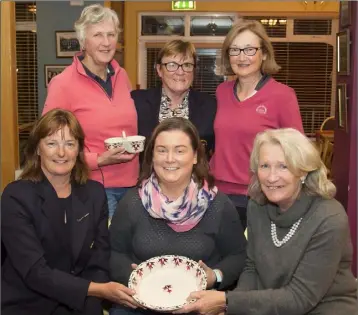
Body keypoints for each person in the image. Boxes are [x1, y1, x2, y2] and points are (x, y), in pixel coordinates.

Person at [177, 128, 358, 315]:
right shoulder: (257, 206)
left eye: (283, 166)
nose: (272, 177)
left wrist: (227, 301)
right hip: (272, 305)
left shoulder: (329, 218)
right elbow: (252, 268)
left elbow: (300, 298)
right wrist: (234, 308)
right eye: (264, 166)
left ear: (303, 172)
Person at [1, 109, 139, 315]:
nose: (61, 153)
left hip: (82, 303)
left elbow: (99, 258)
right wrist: (98, 290)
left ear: (79, 150)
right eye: (51, 143)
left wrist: (94, 297)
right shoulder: (16, 196)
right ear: (37, 149)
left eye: (69, 144)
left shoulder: (94, 193)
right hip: (28, 303)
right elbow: (34, 272)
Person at [109, 117, 247, 315]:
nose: (170, 158)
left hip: (199, 307)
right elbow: (114, 252)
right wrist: (133, 278)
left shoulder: (217, 204)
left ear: (195, 156)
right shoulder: (132, 202)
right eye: (162, 150)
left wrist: (215, 276)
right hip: (140, 307)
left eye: (180, 150)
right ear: (152, 156)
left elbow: (238, 255)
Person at [43, 4, 138, 219]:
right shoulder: (62, 84)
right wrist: (99, 159)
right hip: (92, 186)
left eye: (111, 35)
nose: (106, 42)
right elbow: (48, 142)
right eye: (98, 35)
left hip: (132, 185)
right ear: (83, 41)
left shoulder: (121, 75)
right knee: (103, 251)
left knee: (128, 249)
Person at [210, 19, 304, 230]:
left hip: (261, 195)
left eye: (250, 49)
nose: (242, 57)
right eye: (235, 50)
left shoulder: (283, 96)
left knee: (257, 260)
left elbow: (297, 153)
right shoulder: (222, 92)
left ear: (264, 54)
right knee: (226, 258)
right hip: (219, 194)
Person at [131, 39, 217, 159]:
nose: (180, 72)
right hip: (148, 176)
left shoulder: (210, 106)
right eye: (172, 65)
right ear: (159, 70)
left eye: (187, 65)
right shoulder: (136, 102)